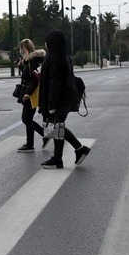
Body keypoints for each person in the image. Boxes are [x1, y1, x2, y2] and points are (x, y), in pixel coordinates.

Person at [38, 30, 91, 168]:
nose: (45, 43)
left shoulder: (56, 59)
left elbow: (55, 83)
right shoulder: (62, 56)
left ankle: (72, 152)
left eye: (47, 41)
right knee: (57, 127)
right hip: (64, 100)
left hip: (59, 101)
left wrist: (51, 105)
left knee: (56, 126)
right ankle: (71, 153)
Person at [16, 39, 49, 153]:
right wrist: (21, 66)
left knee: (27, 119)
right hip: (29, 93)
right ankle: (44, 136)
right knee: (26, 119)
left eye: (21, 48)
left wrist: (27, 94)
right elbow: (28, 76)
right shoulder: (29, 61)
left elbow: (35, 80)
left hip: (31, 94)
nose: (20, 50)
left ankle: (30, 144)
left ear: (25, 48)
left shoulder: (33, 61)